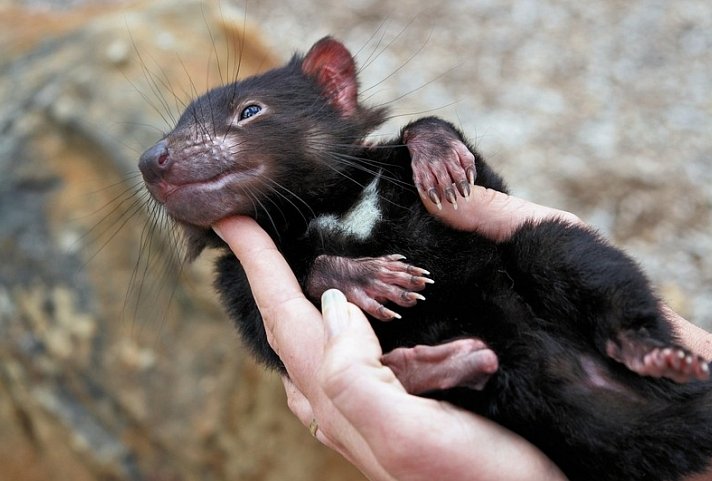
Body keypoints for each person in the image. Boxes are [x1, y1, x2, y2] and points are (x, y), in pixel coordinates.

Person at [213, 185, 712, 481]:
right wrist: (321, 276)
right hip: (489, 358)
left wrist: (431, 138)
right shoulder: (241, 271)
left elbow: (475, 186)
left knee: (546, 244)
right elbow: (278, 341)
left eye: (247, 113)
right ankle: (448, 377)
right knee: (548, 395)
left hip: (543, 296)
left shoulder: (394, 157)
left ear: (334, 90)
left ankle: (633, 331)